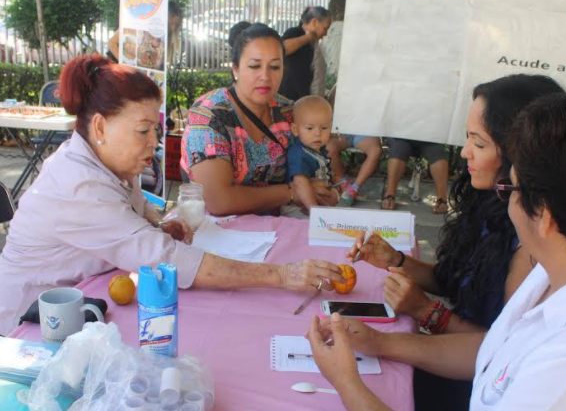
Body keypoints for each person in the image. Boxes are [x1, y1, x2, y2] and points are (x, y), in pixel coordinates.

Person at [309, 89, 566, 410]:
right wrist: (379, 342)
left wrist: (345, 381)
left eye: (510, 187)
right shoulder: (563, 266)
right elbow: (496, 351)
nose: (466, 152)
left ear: (545, 215)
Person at [0, 54, 345, 336]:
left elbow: (125, 230)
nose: (154, 142)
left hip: (81, 302)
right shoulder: (78, 184)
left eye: (155, 129)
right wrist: (283, 275)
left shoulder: (113, 164)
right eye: (142, 131)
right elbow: (164, 259)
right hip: (28, 326)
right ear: (101, 127)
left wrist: (157, 228)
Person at [346, 74, 565, 410]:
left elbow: (501, 349)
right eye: (466, 138)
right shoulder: (489, 202)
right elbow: (459, 279)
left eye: (478, 143)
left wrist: (425, 312)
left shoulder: (533, 241)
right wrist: (398, 261)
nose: (464, 153)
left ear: (521, 155)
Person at [180, 23, 338, 216]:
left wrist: (328, 192)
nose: (265, 76)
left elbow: (318, 158)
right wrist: (290, 193)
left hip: (276, 229)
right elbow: (218, 201)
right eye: (255, 66)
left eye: (274, 66)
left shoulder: (288, 112)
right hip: (216, 233)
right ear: (236, 69)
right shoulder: (209, 116)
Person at [325, 84, 383, 206]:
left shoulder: (374, 85)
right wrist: (332, 129)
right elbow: (329, 107)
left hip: (364, 130)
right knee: (329, 147)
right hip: (343, 131)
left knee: (375, 150)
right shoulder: (340, 84)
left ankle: (354, 189)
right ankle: (343, 184)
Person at [282, 96, 337, 218]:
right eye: (310, 128)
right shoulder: (298, 153)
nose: (318, 133)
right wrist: (314, 211)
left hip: (316, 206)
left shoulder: (319, 150)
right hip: (298, 209)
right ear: (295, 130)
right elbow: (300, 183)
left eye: (324, 128)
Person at [381, 138, 450, 213]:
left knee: (438, 151)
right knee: (399, 148)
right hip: (401, 136)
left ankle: (442, 198)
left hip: (429, 137)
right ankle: (390, 194)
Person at [279, 6, 332, 101]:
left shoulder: (315, 45)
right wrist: (308, 37)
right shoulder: (295, 32)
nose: (325, 33)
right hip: (287, 99)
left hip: (304, 101)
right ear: (314, 22)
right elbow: (282, 49)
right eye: (325, 28)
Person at [108, 1, 183, 66]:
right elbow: (111, 43)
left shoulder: (161, 39)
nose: (173, 28)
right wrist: (125, 64)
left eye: (176, 25)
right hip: (117, 69)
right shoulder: (140, 22)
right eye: (172, 23)